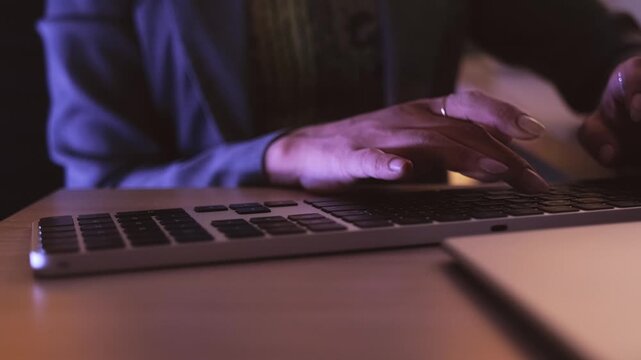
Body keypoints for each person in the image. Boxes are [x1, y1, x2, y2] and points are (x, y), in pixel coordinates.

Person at [39, 0, 641, 193]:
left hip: (419, 253)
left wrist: (627, 90)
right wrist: (282, 153)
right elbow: (97, 183)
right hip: (197, 279)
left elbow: (596, 52)